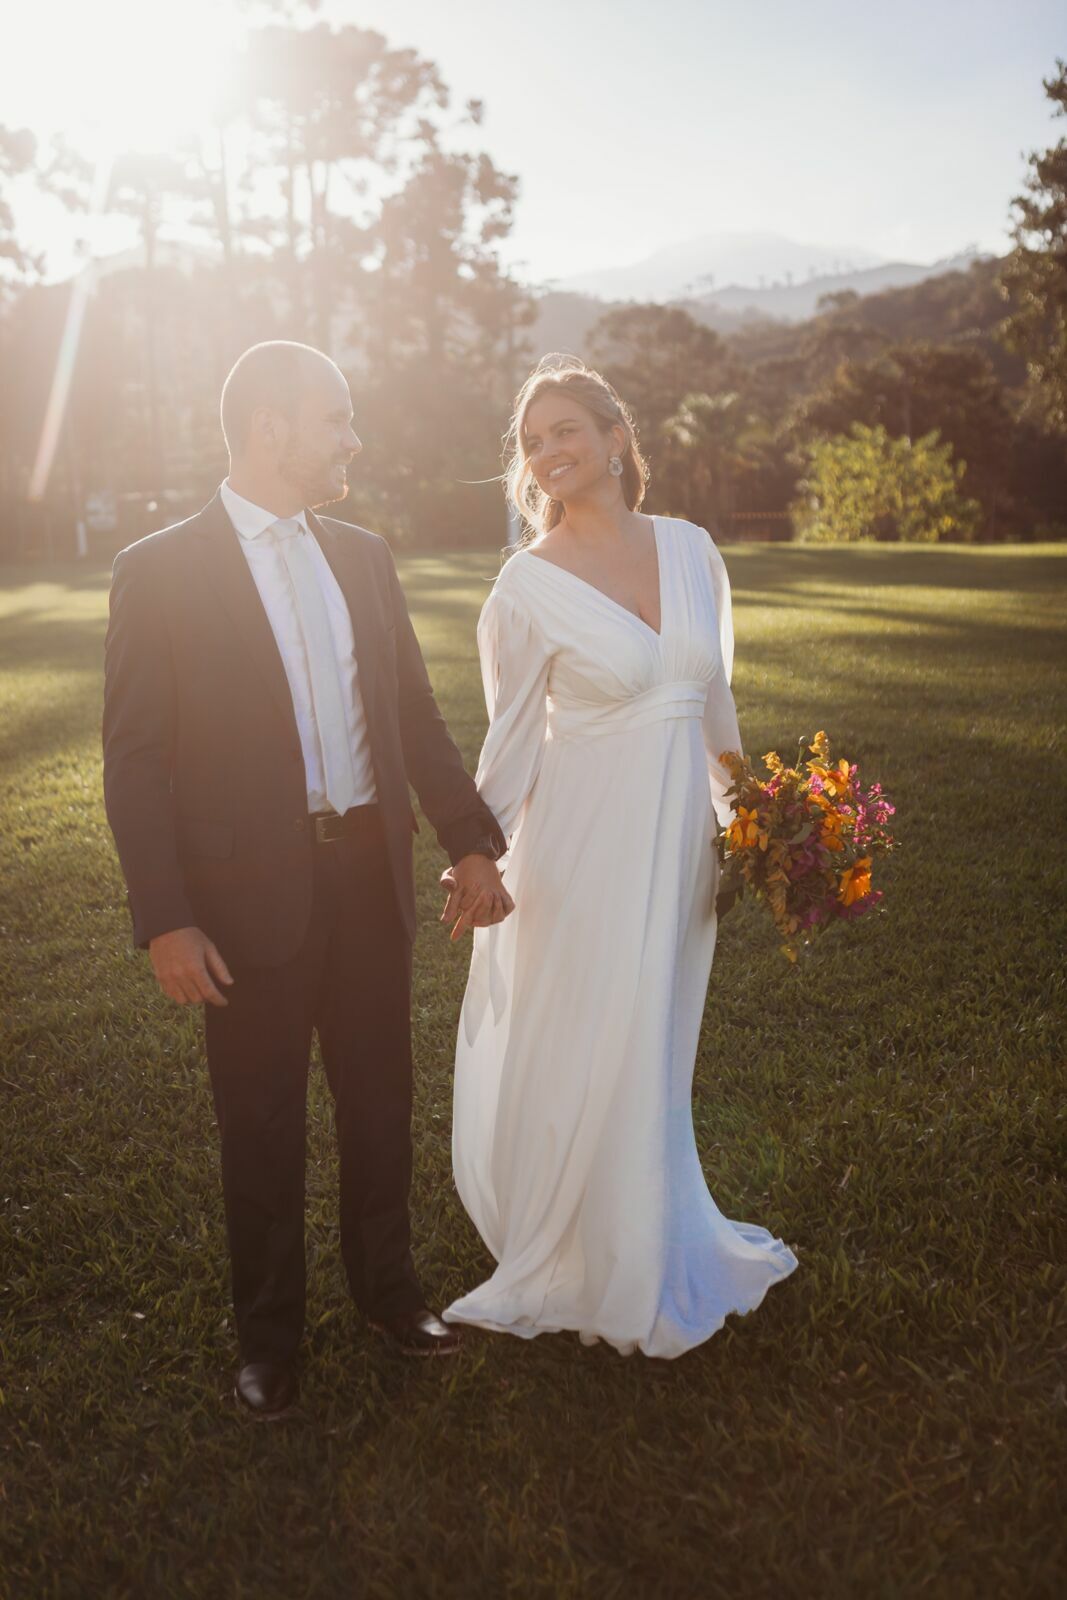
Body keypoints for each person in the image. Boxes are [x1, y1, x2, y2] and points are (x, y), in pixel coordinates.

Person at [103, 341, 512, 1420]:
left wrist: (470, 839)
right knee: (261, 1120)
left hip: (367, 883)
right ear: (272, 427)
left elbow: (412, 718)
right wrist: (165, 919)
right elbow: (136, 758)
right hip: (242, 902)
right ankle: (267, 1340)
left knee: (382, 1102)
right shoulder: (159, 567)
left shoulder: (366, 558)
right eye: (336, 417)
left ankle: (391, 1295)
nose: (352, 439)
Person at [444, 355, 798, 1358]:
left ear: (614, 439)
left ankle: (649, 1229)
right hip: (581, 842)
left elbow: (713, 711)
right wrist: (479, 854)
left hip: (680, 842)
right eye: (530, 441)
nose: (548, 452)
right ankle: (587, 1252)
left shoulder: (692, 551)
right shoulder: (525, 585)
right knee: (592, 1035)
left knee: (653, 1039)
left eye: (564, 430)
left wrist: (762, 829)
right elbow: (508, 742)